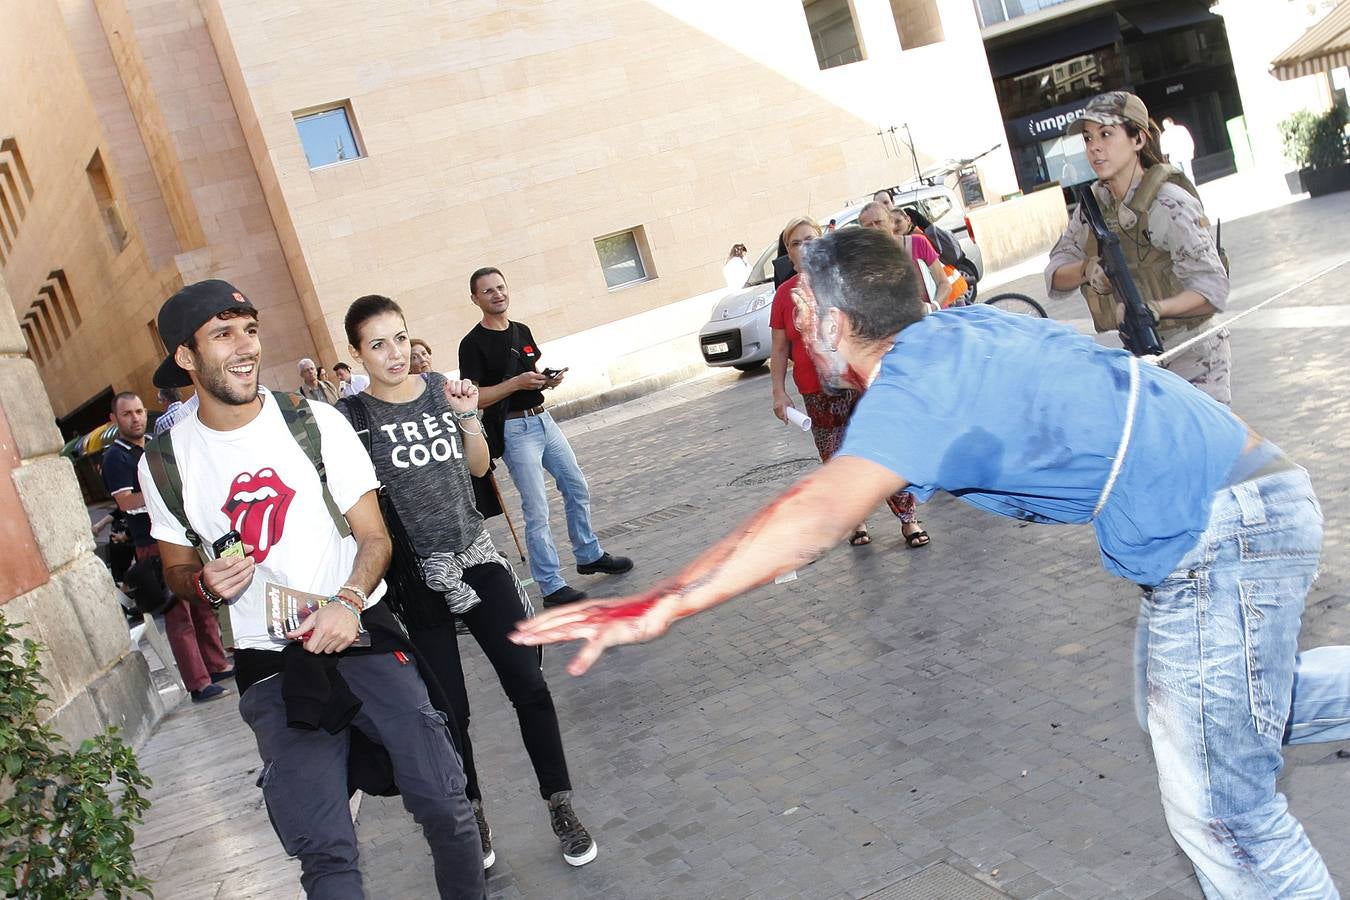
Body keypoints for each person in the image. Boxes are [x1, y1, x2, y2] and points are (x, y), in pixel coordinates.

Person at [513, 227, 1350, 899]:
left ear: (836, 320)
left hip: (1223, 532)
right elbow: (832, 490)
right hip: (1244, 507)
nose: (798, 320)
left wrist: (659, 605)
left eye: (804, 305)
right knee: (1197, 711)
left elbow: (815, 517)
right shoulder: (948, 335)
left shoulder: (918, 378)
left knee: (1222, 814)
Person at [138, 279, 486, 899]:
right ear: (185, 358)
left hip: (363, 635)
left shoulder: (315, 421)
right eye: (223, 334)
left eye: (249, 328)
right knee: (325, 850)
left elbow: (375, 538)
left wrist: (348, 602)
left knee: (446, 804)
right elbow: (174, 571)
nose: (245, 347)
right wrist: (203, 581)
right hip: (272, 664)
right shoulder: (166, 459)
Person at [339, 294, 598, 869]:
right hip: (415, 578)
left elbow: (479, 467)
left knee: (528, 685)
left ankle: (560, 803)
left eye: (400, 338)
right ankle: (474, 816)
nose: (394, 353)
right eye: (377, 344)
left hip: (475, 556)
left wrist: (465, 418)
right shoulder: (352, 420)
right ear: (356, 353)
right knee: (449, 711)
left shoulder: (440, 390)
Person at [457, 267, 633, 608]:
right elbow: (475, 397)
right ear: (475, 299)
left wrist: (545, 381)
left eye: (501, 287)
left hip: (543, 420)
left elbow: (531, 372)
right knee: (536, 509)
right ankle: (551, 586)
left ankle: (588, 553)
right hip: (513, 428)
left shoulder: (521, 330)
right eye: (488, 291)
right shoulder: (472, 344)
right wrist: (516, 384)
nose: (497, 294)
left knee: (576, 485)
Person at [1047, 92, 1231, 405]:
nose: (1094, 147)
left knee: (1203, 451)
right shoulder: (1093, 206)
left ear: (1138, 140)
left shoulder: (1169, 203)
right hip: (1142, 359)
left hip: (1193, 352)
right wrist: (1086, 269)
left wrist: (1156, 309)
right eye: (1088, 138)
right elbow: (1054, 275)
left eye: (1106, 134)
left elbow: (1213, 289)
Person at [768, 216, 929, 549]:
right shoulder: (784, 296)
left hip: (858, 383)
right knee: (837, 459)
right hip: (816, 392)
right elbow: (780, 348)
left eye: (811, 239)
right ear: (788, 254)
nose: (805, 246)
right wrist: (779, 393)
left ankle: (908, 519)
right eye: (796, 243)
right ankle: (855, 519)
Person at [102, 390, 231, 702]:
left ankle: (215, 665)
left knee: (201, 604)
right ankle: (197, 683)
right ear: (114, 419)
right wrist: (165, 491)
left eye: (138, 412)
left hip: (183, 537)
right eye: (127, 414)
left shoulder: (155, 444)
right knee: (178, 617)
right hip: (151, 544)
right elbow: (126, 502)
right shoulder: (115, 457)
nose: (135, 418)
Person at [858, 201, 952, 310]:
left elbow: (944, 284)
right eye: (869, 225)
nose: (875, 228)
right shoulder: (866, 261)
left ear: (891, 222)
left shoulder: (918, 243)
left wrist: (932, 307)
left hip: (936, 316)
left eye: (879, 222)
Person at [1160, 116, 1196, 182]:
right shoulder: (1164, 135)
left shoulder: (1181, 129)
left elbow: (1189, 140)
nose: (1165, 127)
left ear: (1171, 123)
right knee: (1180, 177)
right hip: (1174, 158)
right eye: (1164, 126)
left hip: (1185, 155)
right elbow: (1163, 150)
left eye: (1166, 125)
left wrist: (1191, 151)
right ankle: (1185, 191)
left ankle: (1192, 189)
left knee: (1188, 174)